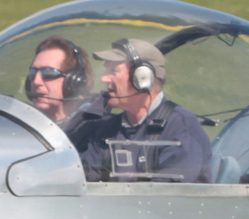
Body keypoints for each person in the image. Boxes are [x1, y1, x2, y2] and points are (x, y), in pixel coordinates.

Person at [72, 37, 212, 183]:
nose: (104, 78)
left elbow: (169, 196)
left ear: (143, 78)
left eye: (113, 71)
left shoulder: (181, 125)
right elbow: (83, 182)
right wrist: (93, 112)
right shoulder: (107, 129)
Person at [23, 36, 92, 125]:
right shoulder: (22, 123)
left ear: (74, 82)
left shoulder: (96, 128)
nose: (36, 82)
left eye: (48, 73)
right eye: (33, 72)